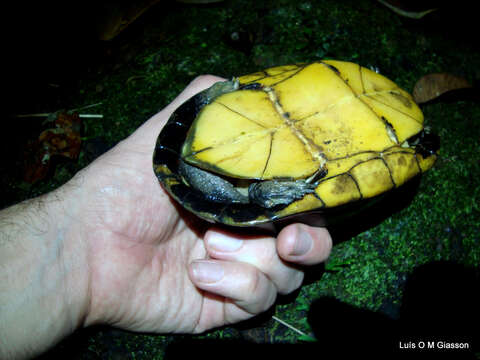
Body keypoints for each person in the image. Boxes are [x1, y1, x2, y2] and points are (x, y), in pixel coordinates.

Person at [0, 75, 332, 359]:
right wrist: (84, 252)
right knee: (253, 194)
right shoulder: (211, 173)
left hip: (238, 166)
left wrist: (80, 251)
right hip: (231, 179)